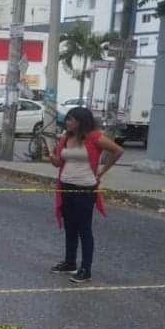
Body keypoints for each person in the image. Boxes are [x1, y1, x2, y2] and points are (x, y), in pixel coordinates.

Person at [48, 106, 124, 283]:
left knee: (84, 229)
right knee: (70, 227)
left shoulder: (93, 137)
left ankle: (86, 269)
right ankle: (70, 262)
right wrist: (52, 156)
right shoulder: (65, 138)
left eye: (70, 120)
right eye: (67, 119)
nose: (67, 122)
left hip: (85, 188)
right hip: (66, 186)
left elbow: (117, 151)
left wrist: (102, 171)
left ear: (80, 122)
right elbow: (58, 163)